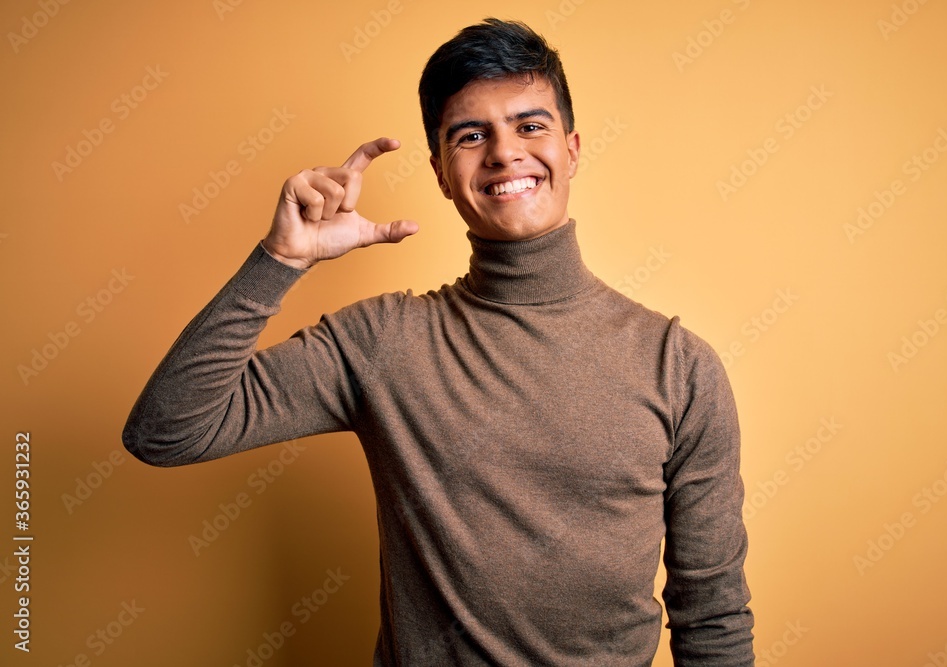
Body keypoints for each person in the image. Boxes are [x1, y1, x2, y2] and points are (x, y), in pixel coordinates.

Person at [123, 18, 754, 666]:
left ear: (571, 150)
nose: (504, 152)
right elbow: (167, 431)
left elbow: (712, 617)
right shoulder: (381, 343)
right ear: (441, 173)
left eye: (529, 126)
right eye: (471, 135)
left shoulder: (680, 367)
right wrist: (280, 260)